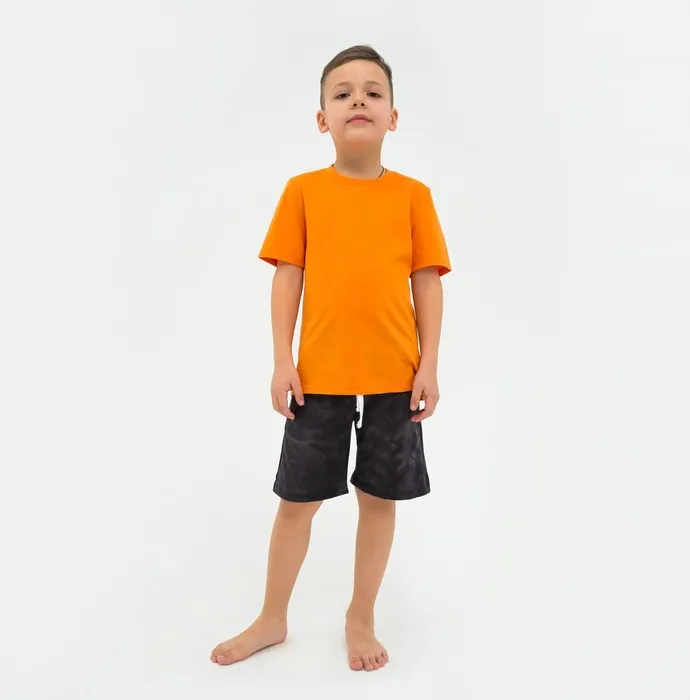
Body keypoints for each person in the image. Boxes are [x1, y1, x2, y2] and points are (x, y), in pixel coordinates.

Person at [211, 44, 451, 672]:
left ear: (393, 116)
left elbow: (427, 282)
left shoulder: (414, 197)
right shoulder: (303, 192)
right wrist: (280, 360)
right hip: (317, 379)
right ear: (323, 119)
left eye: (373, 91)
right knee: (297, 501)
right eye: (342, 93)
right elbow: (287, 276)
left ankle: (360, 617)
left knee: (379, 499)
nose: (358, 100)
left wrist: (428, 364)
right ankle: (272, 616)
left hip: (395, 380)